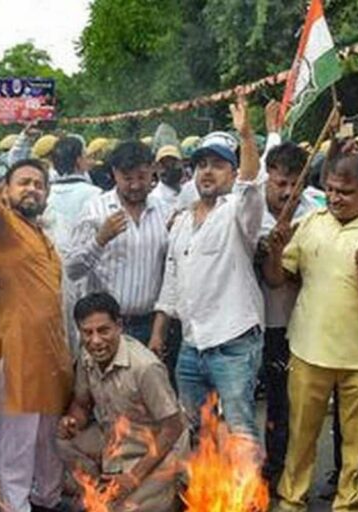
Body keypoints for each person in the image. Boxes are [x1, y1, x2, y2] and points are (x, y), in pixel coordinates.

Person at [0, 91, 74, 512]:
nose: (33, 188)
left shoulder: (44, 236)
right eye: (24, 181)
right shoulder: (1, 226)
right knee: (16, 449)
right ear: (6, 191)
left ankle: (44, 501)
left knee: (47, 444)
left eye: (39, 184)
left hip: (52, 359)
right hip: (19, 357)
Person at [262, 154, 358, 512]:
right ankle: (292, 499)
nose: (334, 198)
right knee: (301, 435)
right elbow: (276, 279)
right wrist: (274, 251)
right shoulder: (310, 223)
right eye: (330, 190)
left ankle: (349, 503)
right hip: (308, 347)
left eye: (346, 192)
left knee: (356, 441)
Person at [151, 97, 264, 439]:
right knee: (196, 428)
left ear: (232, 172)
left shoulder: (237, 214)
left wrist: (246, 137)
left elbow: (251, 189)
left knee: (239, 428)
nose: (208, 171)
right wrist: (158, 331)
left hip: (234, 341)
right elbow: (172, 280)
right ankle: (202, 493)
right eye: (202, 165)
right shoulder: (182, 221)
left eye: (218, 164)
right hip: (191, 343)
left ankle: (245, 494)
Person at [57, 292, 187, 512]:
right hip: (114, 444)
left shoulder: (145, 367)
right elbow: (81, 404)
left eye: (103, 330)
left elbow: (173, 428)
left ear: (119, 326)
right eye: (87, 333)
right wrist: (72, 422)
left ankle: (173, 491)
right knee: (56, 444)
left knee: (121, 508)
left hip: (154, 454)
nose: (95, 340)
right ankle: (103, 484)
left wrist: (133, 478)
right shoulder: (87, 356)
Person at [66, 141, 173, 343]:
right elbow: (72, 270)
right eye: (127, 178)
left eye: (142, 177)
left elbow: (171, 273)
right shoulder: (95, 210)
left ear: (153, 171)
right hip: (105, 328)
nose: (135, 185)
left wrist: (160, 330)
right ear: (115, 174)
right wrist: (100, 240)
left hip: (149, 326)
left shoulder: (165, 212)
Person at [255, 139, 311, 490]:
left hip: (292, 327)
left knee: (283, 405)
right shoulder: (246, 211)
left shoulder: (315, 213)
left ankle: (280, 470)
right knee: (239, 403)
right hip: (247, 324)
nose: (287, 192)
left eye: (294, 184)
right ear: (267, 179)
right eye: (280, 184)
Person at [44, 136, 103, 354]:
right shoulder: (96, 196)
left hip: (51, 280)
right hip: (85, 281)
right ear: (79, 161)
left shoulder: (45, 196)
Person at [149, 144, 185, 211]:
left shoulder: (189, 191)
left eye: (173, 164)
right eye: (164, 165)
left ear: (181, 164)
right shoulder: (155, 199)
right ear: (157, 168)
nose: (170, 170)